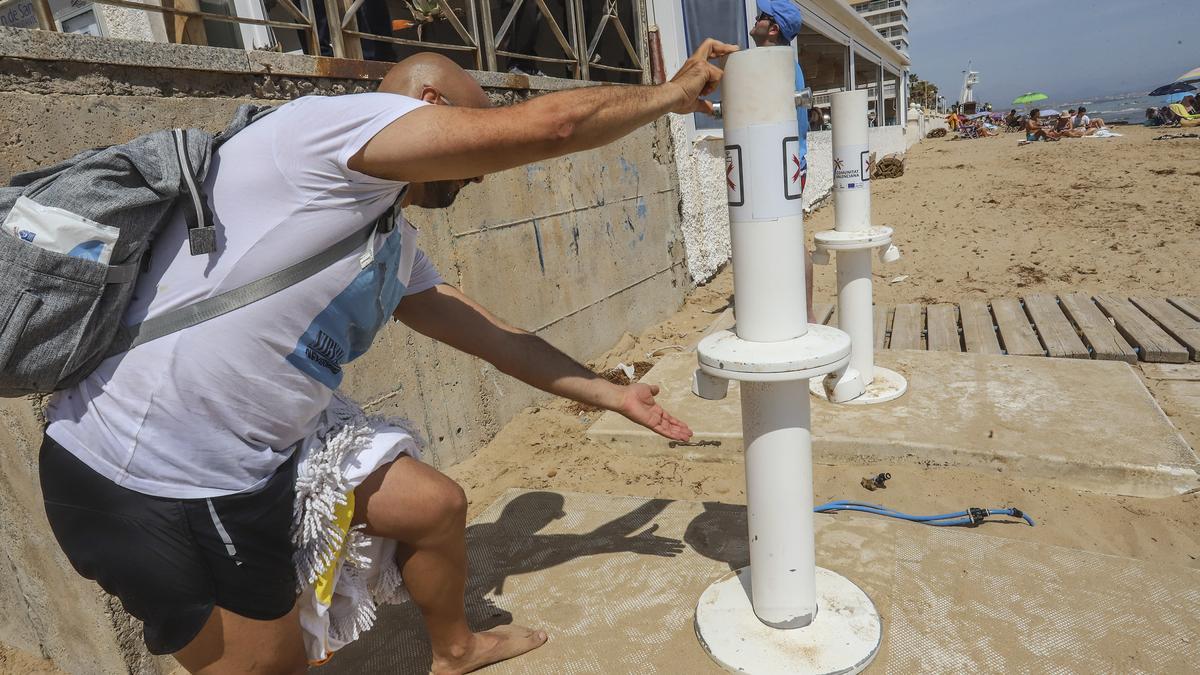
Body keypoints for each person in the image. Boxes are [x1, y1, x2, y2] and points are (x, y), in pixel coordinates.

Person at [37, 41, 736, 674]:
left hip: (259, 461)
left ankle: (456, 647)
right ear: (429, 107)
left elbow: (495, 336)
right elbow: (549, 128)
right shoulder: (320, 132)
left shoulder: (387, 242)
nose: (479, 173)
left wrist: (609, 393)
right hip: (150, 476)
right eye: (473, 134)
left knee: (433, 506)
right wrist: (670, 96)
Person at [749, 0, 815, 321]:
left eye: (760, 16)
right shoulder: (785, 62)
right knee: (783, 237)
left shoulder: (776, 63)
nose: (755, 18)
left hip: (784, 164)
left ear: (772, 28)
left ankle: (806, 312)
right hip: (784, 162)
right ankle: (797, 310)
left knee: (787, 238)